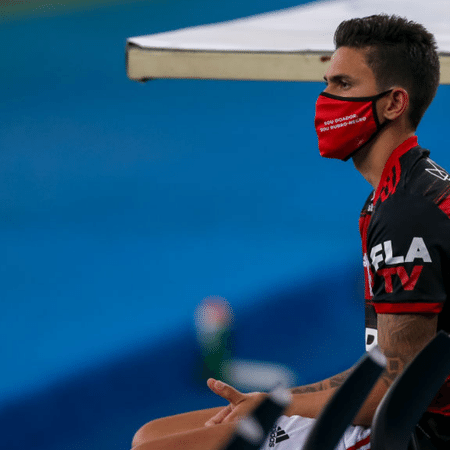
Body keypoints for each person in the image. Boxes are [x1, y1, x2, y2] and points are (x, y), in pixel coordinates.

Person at [131, 14, 450, 450]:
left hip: (421, 436)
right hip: (398, 418)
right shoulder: (408, 188)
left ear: (394, 103)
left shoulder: (406, 213)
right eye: (326, 84)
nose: (324, 100)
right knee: (151, 435)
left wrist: (278, 406)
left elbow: (391, 388)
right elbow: (385, 368)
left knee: (158, 448)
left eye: (343, 85)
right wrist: (274, 399)